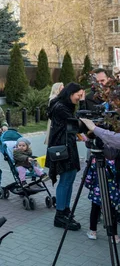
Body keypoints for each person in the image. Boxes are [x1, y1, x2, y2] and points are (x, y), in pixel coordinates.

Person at [46, 82, 84, 231]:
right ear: (70, 93)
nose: (80, 98)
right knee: (66, 179)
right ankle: (60, 215)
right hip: (63, 148)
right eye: (78, 95)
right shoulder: (61, 107)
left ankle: (66, 211)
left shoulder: (64, 105)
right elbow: (76, 125)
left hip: (67, 147)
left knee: (70, 177)